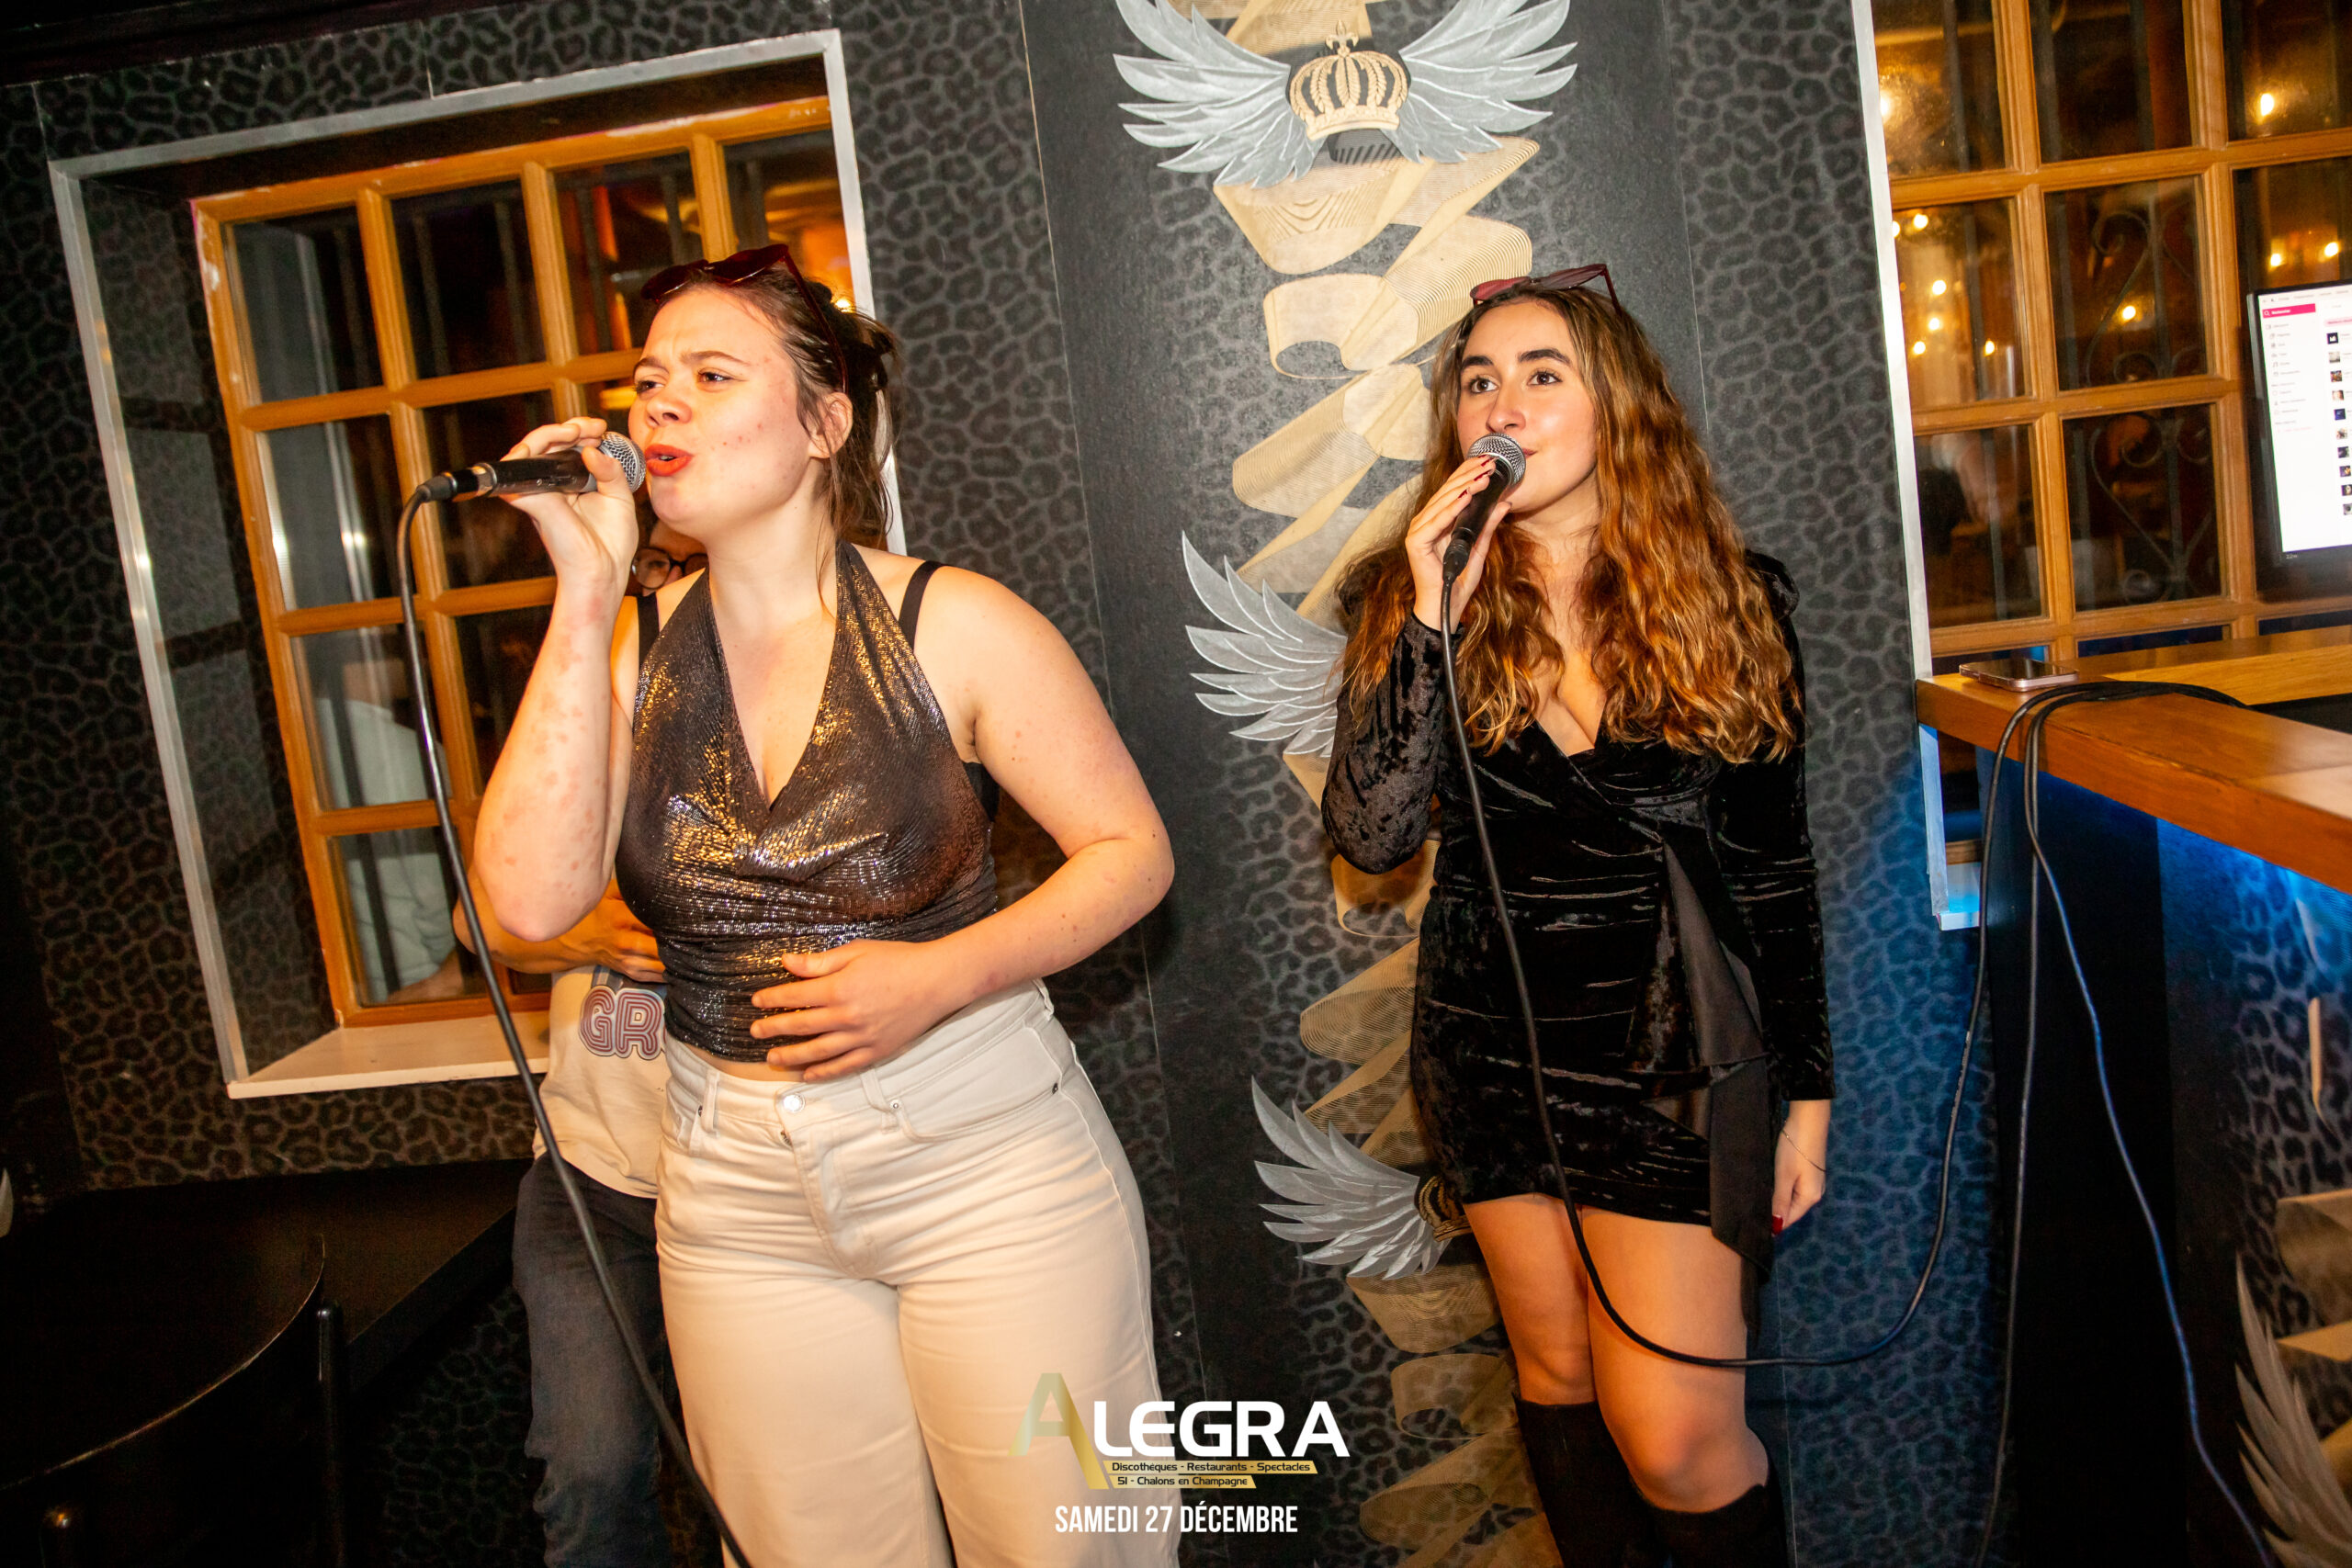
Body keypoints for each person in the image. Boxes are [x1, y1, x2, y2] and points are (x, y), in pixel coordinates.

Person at [470, 243, 1177, 1568]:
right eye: (647, 379)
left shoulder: (952, 620)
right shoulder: (628, 643)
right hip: (729, 1183)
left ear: (823, 424)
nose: (659, 403)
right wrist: (583, 591)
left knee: (1067, 1544)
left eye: (712, 374)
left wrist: (939, 975)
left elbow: (1130, 853)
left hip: (978, 1158)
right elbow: (529, 899)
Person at [1321, 266, 1832, 1568]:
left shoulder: (1732, 594)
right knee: (1558, 1381)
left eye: (1542, 374)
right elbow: (1372, 834)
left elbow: (1776, 870)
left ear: (1617, 405)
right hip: (1491, 1047)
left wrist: (1809, 1097)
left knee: (1674, 1435)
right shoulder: (1411, 594)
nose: (1502, 404)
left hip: (1672, 1054)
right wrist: (1429, 610)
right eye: (1478, 381)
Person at [455, 523, 707, 1568]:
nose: (664, 595)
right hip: (591, 1182)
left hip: (745, 1180)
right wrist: (584, 934)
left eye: (684, 572)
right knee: (590, 1478)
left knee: (764, 1485)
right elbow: (478, 922)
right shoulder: (581, 732)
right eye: (650, 571)